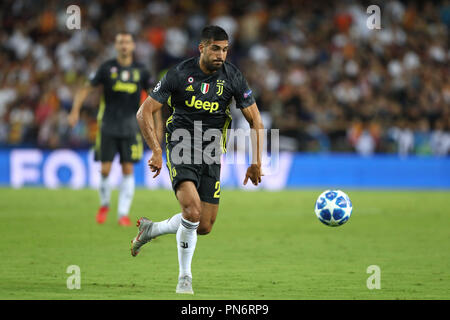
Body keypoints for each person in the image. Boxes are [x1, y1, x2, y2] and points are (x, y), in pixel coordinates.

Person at [131, 25, 264, 294]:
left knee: (203, 225)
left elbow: (256, 121)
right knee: (191, 211)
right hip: (181, 146)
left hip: (213, 151)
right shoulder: (179, 74)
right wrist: (156, 150)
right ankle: (185, 278)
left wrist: (256, 161)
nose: (221, 55)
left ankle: (152, 229)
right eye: (216, 48)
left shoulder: (233, 76)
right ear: (202, 48)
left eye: (225, 50)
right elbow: (144, 112)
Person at [68, 31, 161, 226]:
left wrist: (158, 125)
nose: (124, 45)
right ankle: (104, 205)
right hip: (108, 125)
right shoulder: (106, 68)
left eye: (127, 42)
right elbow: (86, 88)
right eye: (120, 42)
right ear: (116, 46)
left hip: (131, 127)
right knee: (105, 169)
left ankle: (123, 214)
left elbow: (155, 101)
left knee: (128, 169)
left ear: (133, 46)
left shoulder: (141, 71)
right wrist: (75, 110)